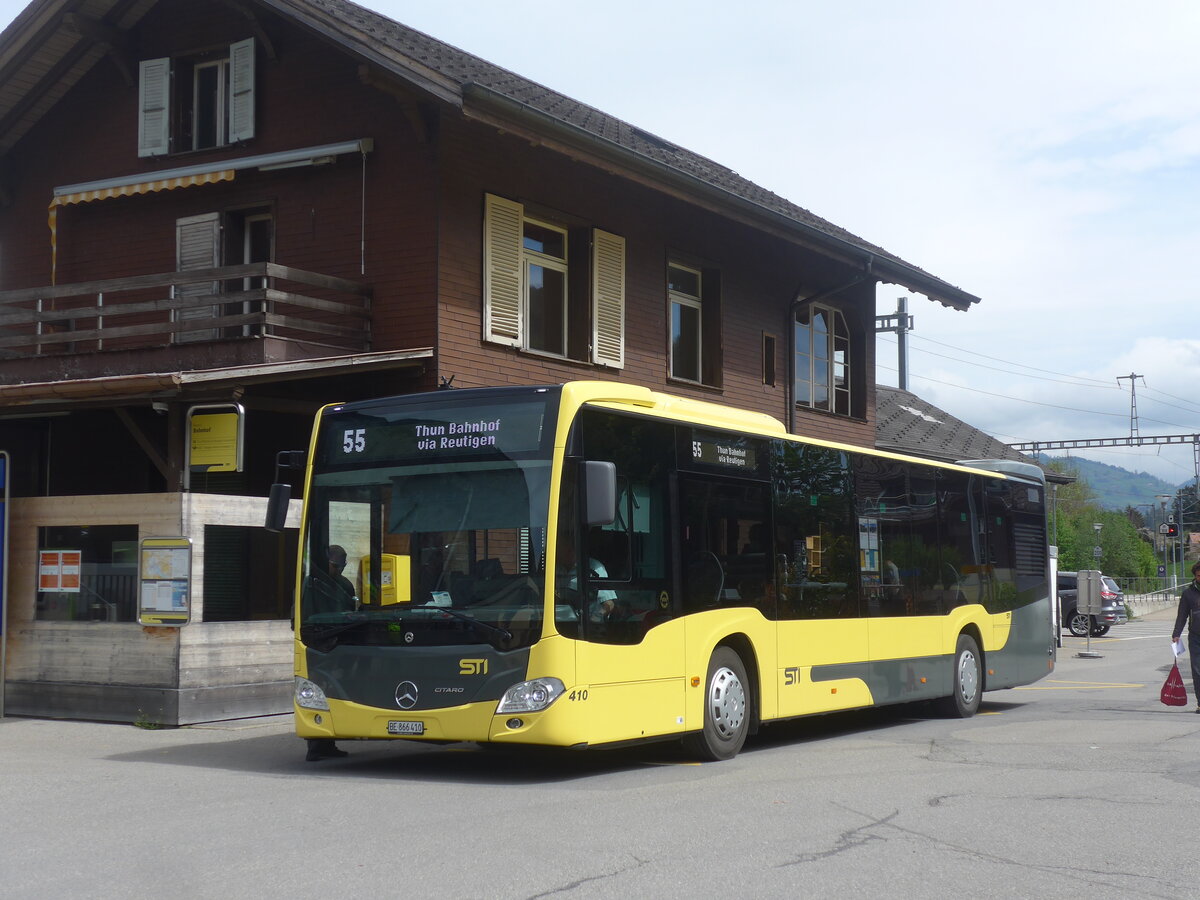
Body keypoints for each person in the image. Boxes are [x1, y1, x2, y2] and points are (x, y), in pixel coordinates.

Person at [305, 545, 356, 761]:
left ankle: (328, 742)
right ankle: (317, 745)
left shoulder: (345, 585)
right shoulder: (311, 585)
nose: (339, 570)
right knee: (318, 692)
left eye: (342, 566)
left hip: (341, 641)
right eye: (335, 565)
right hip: (319, 641)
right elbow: (302, 614)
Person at [1170, 560, 1200, 713]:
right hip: (1196, 638)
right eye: (1199, 575)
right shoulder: (1188, 594)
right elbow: (1182, 616)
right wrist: (1176, 634)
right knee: (1197, 670)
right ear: (1195, 576)